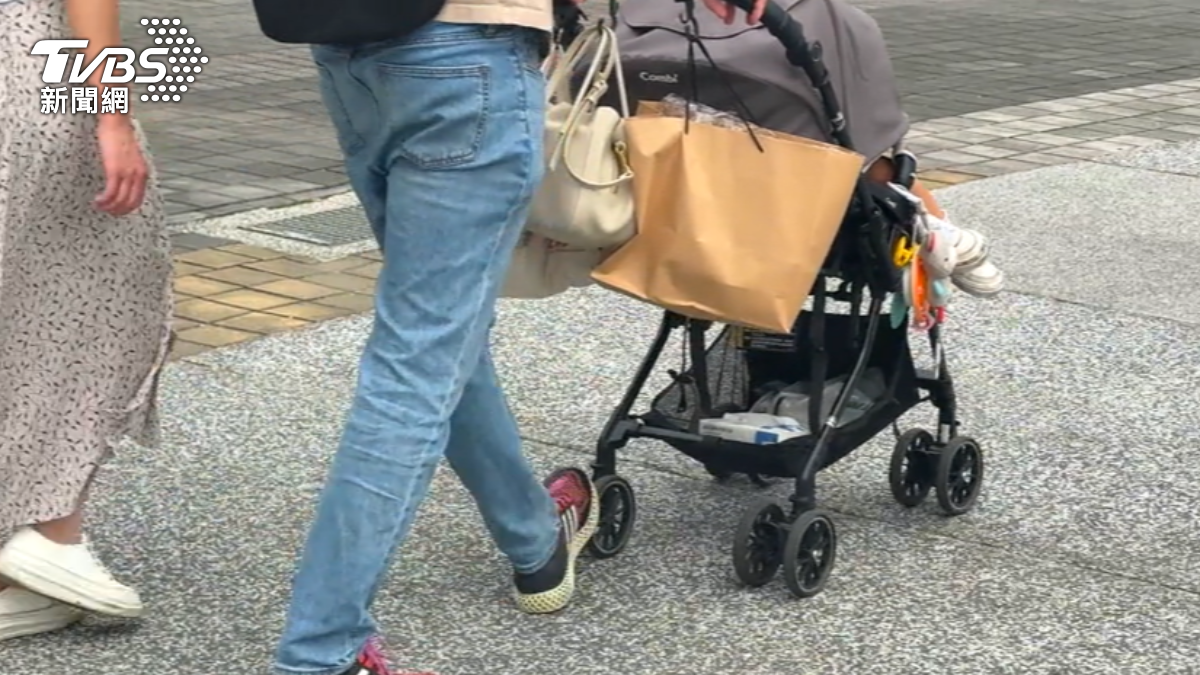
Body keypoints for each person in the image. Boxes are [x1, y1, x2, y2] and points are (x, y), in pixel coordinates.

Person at [269, 0, 766, 674]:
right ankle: (320, 655)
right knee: (418, 363)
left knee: (442, 333)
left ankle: (535, 539)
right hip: (467, 54)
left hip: (347, 53)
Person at [0, 0, 173, 642]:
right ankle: (52, 532)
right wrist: (112, 116)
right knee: (101, 308)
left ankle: (31, 560)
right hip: (35, 70)